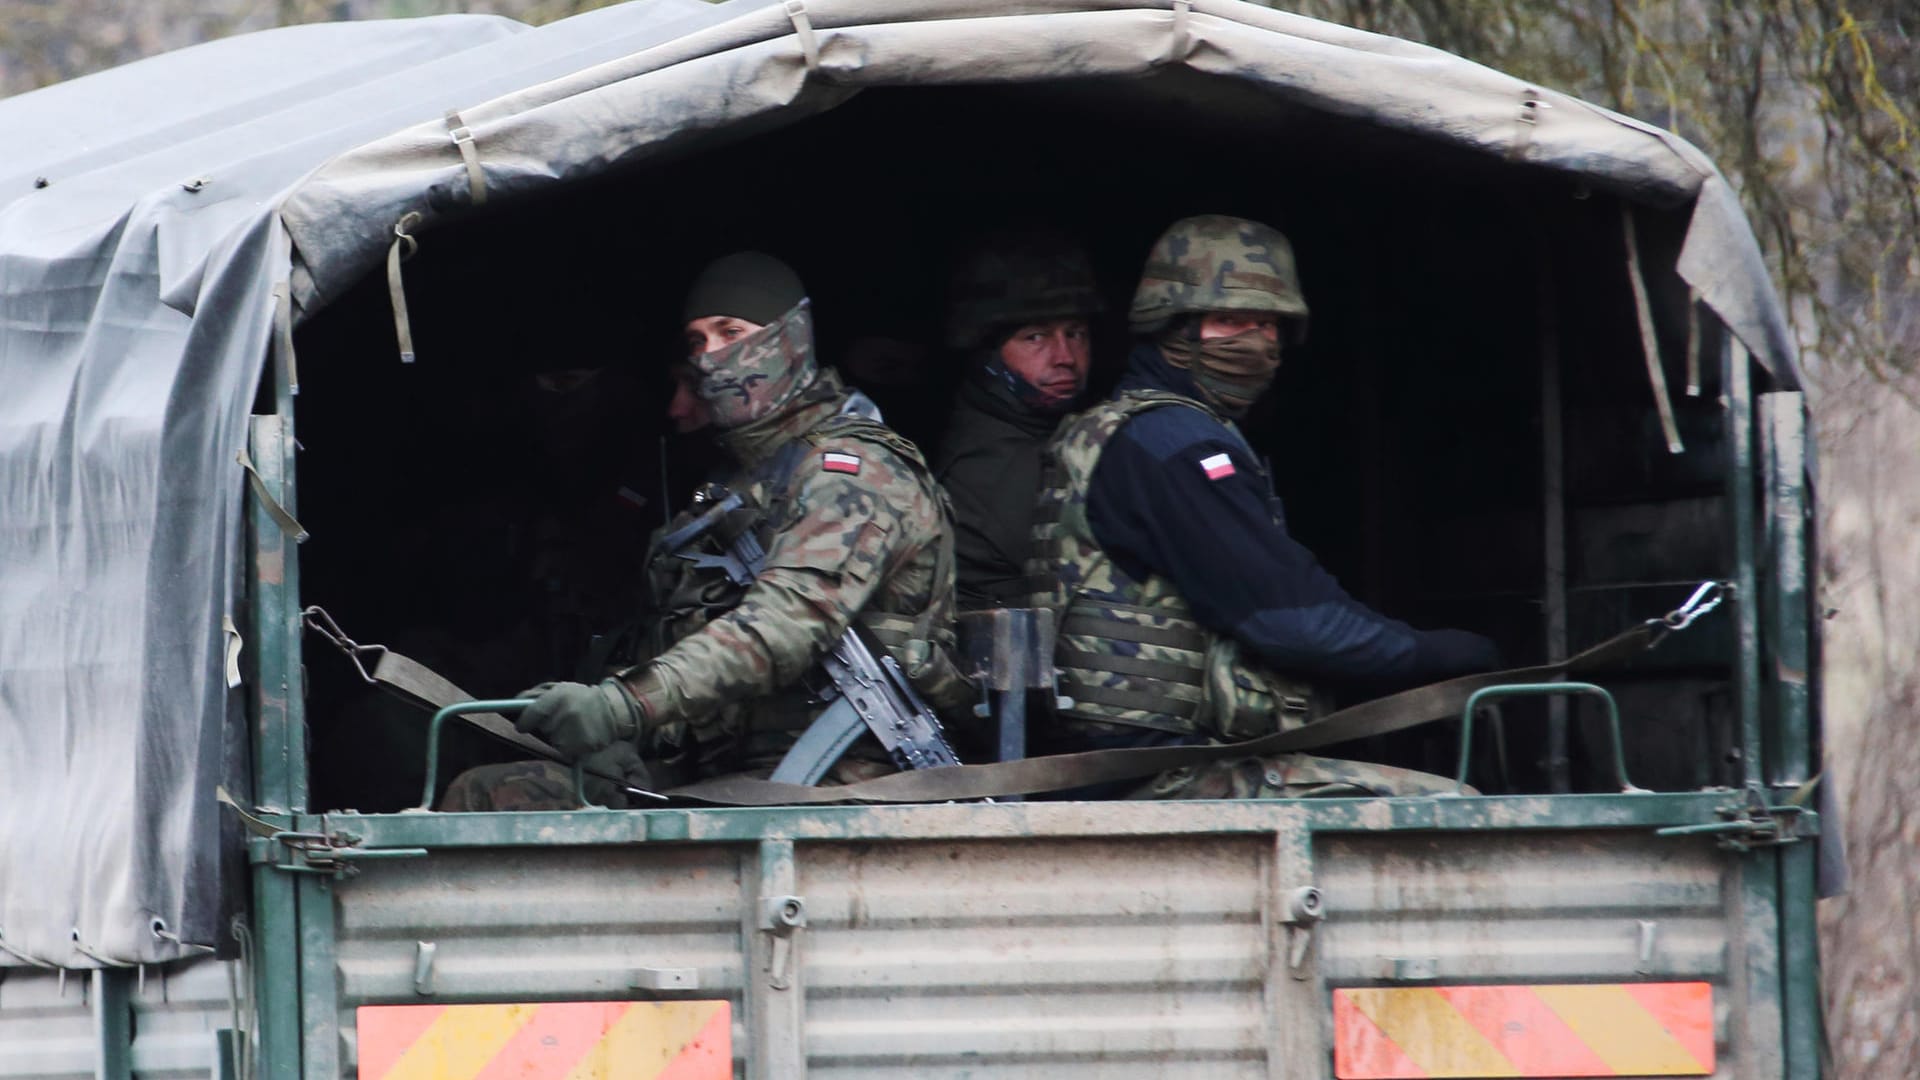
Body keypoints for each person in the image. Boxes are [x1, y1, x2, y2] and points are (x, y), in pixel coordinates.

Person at [442, 252, 970, 809]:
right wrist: (628, 734)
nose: (713, 356)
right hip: (741, 774)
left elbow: (784, 626)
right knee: (492, 795)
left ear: (791, 337)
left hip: (855, 781)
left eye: (732, 332)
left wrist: (624, 705)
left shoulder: (852, 469)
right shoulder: (738, 487)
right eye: (698, 342)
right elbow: (679, 635)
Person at [1027, 214, 1502, 799]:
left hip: (1130, 766)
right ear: (1171, 327)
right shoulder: (1175, 445)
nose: (1255, 341)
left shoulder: (1118, 429)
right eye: (1229, 321)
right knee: (1455, 808)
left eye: (1268, 323)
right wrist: (1445, 654)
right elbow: (1295, 625)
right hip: (1165, 776)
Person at [934, 229, 1103, 610]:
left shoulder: (1052, 433)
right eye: (1035, 337)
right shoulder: (992, 463)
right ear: (987, 353)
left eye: (1075, 333)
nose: (1065, 356)